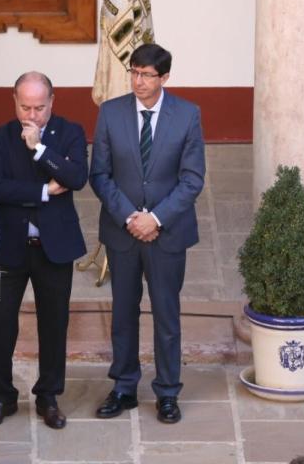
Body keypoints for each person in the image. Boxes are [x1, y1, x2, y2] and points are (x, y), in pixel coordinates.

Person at [89, 43, 205, 425]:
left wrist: (155, 218)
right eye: (134, 72)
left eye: (147, 75)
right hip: (123, 233)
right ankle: (124, 386)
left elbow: (192, 179)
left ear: (165, 77)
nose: (139, 81)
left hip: (166, 234)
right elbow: (100, 175)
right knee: (123, 314)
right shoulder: (111, 112)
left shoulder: (187, 115)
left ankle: (168, 392)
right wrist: (130, 217)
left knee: (166, 315)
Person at [0, 71, 88, 430]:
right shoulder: (0, 137)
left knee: (54, 323)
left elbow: (76, 178)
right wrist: (42, 192)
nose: (32, 115)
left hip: (54, 247)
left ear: (52, 102)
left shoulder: (69, 133)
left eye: (40, 108)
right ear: (14, 102)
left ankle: (48, 396)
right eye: (25, 107)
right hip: (8, 246)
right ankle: (2, 396)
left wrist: (39, 148)